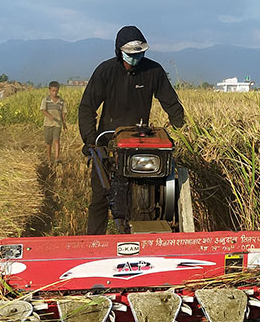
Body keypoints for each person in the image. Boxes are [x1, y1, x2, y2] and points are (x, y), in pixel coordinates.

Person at [78, 25, 186, 234]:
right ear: (119, 52)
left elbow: (172, 104)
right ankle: (94, 242)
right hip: (109, 141)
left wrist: (179, 129)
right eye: (131, 54)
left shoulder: (153, 71)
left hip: (141, 141)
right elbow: (87, 107)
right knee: (101, 196)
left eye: (140, 53)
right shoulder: (106, 71)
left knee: (161, 188)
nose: (135, 58)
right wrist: (91, 140)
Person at [40, 81, 65, 163]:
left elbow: (63, 113)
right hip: (48, 124)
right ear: (49, 90)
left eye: (56, 91)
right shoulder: (46, 100)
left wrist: (64, 124)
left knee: (56, 140)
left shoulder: (61, 101)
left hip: (58, 124)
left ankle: (57, 157)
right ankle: (49, 158)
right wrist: (49, 116)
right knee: (48, 142)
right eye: (53, 91)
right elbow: (43, 110)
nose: (54, 93)